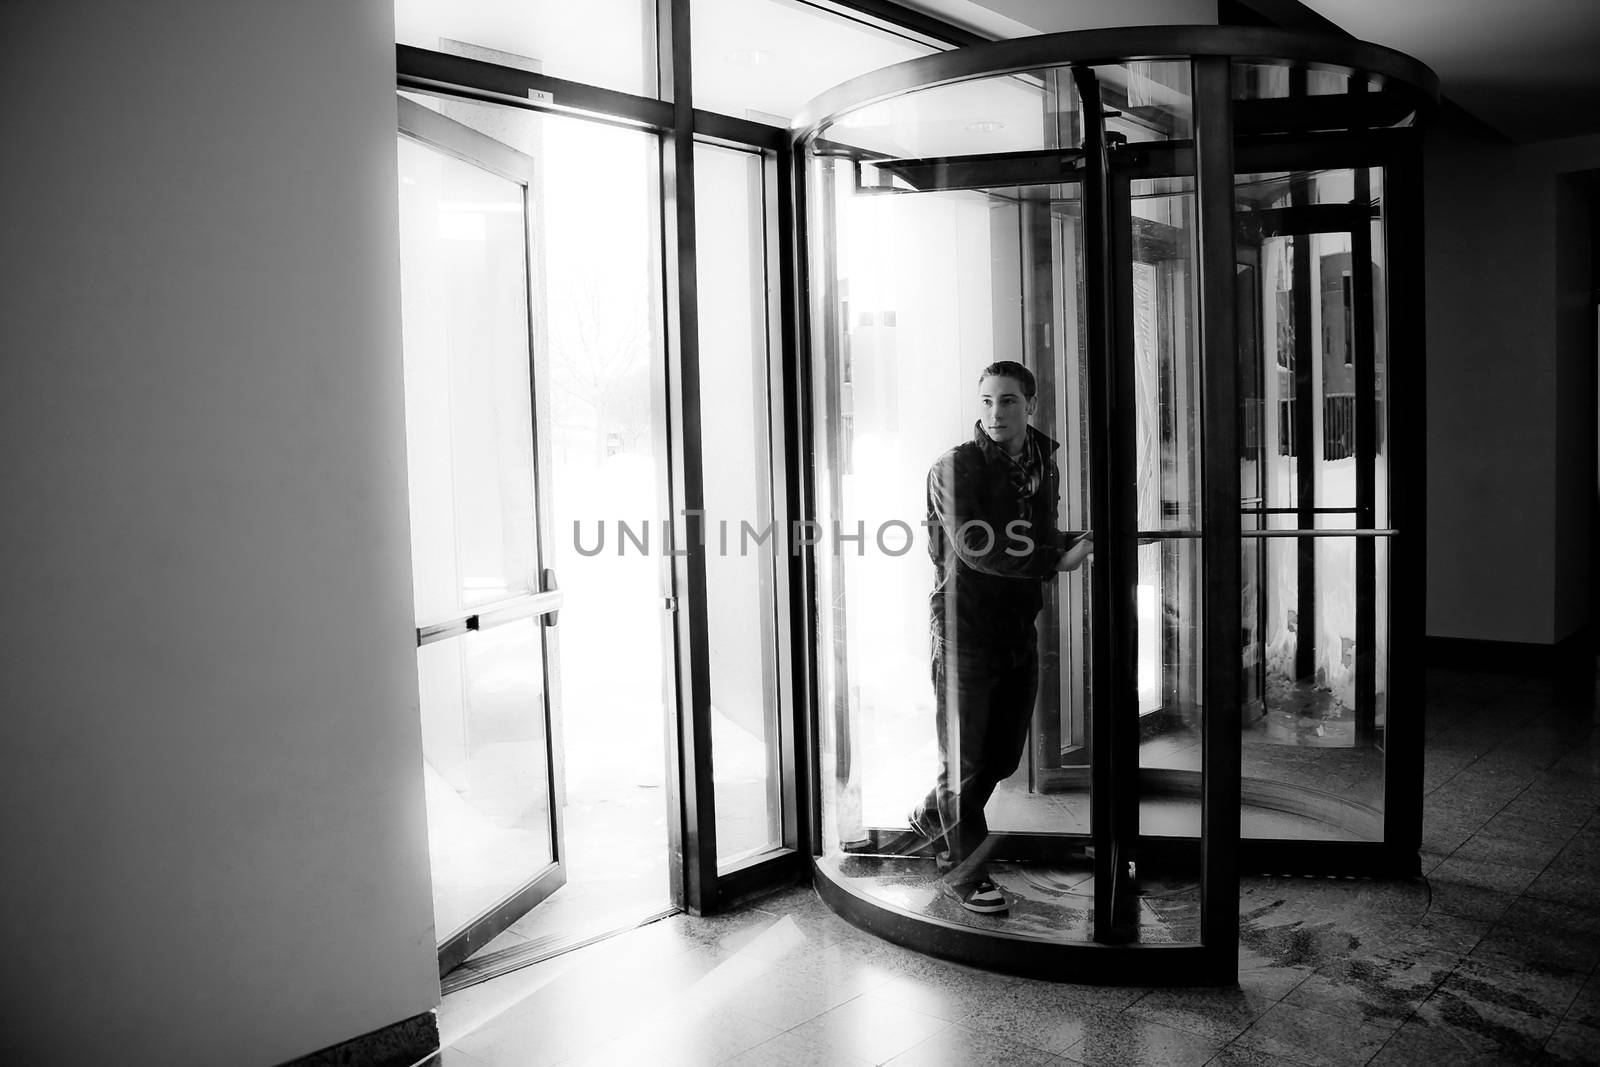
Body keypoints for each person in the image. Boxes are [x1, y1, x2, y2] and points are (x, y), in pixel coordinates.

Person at [909, 360, 1092, 914]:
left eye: (1008, 401)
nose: (996, 413)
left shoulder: (1041, 463)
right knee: (965, 762)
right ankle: (964, 873)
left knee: (1004, 757)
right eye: (987, 401)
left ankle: (931, 816)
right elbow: (975, 546)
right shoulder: (954, 467)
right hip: (965, 632)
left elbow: (1030, 534)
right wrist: (1057, 561)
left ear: (1029, 405)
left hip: (1016, 627)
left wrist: (1071, 538)